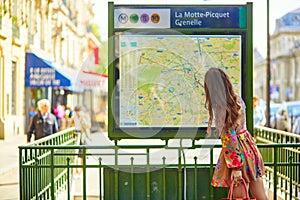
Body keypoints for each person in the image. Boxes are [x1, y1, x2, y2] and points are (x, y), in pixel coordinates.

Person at [204, 68, 267, 200]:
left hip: (237, 154)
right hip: (249, 148)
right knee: (262, 197)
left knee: (240, 197)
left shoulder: (222, 106)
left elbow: (229, 137)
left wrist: (236, 167)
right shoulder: (237, 99)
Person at [70, 105, 91, 176]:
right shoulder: (74, 118)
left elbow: (88, 126)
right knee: (76, 154)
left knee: (83, 155)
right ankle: (76, 170)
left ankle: (83, 170)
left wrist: (82, 120)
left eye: (78, 111)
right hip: (76, 136)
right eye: (76, 112)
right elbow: (70, 126)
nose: (77, 113)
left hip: (83, 136)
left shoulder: (85, 117)